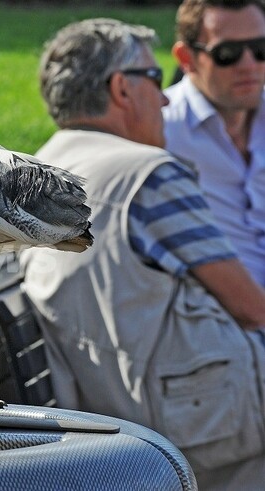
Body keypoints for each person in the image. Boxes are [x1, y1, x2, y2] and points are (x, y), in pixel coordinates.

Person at [20, 18, 265, 489]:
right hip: (201, 425)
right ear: (122, 89)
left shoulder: (44, 168)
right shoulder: (148, 175)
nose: (168, 97)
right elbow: (252, 308)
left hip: (114, 412)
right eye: (156, 80)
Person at [163, 0, 265, 286]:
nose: (249, 66)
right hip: (215, 320)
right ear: (187, 58)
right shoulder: (160, 132)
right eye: (227, 53)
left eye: (260, 49)